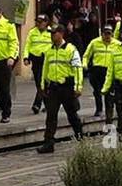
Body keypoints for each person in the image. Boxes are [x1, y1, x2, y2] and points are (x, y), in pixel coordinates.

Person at [35, 23, 85, 154]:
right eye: (51, 33)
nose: (52, 36)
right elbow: (45, 70)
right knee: (51, 116)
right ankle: (48, 143)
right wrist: (42, 86)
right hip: (53, 88)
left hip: (67, 88)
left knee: (72, 114)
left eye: (54, 33)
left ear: (61, 34)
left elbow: (78, 69)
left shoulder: (71, 50)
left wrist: (78, 87)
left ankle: (80, 137)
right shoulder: (49, 51)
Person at [83, 22, 118, 122]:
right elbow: (86, 55)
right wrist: (85, 65)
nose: (107, 36)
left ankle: (108, 112)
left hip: (110, 71)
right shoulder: (94, 43)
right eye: (105, 33)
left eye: (109, 33)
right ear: (101, 33)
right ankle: (99, 109)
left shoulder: (117, 44)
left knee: (108, 92)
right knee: (97, 91)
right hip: (96, 70)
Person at [22, 13, 53, 114]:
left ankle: (37, 104)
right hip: (36, 60)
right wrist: (26, 57)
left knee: (42, 83)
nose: (38, 24)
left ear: (46, 23)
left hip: (47, 61)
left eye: (41, 22)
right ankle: (48, 105)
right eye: (37, 22)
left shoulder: (51, 32)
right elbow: (27, 45)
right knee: (38, 83)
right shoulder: (32, 32)